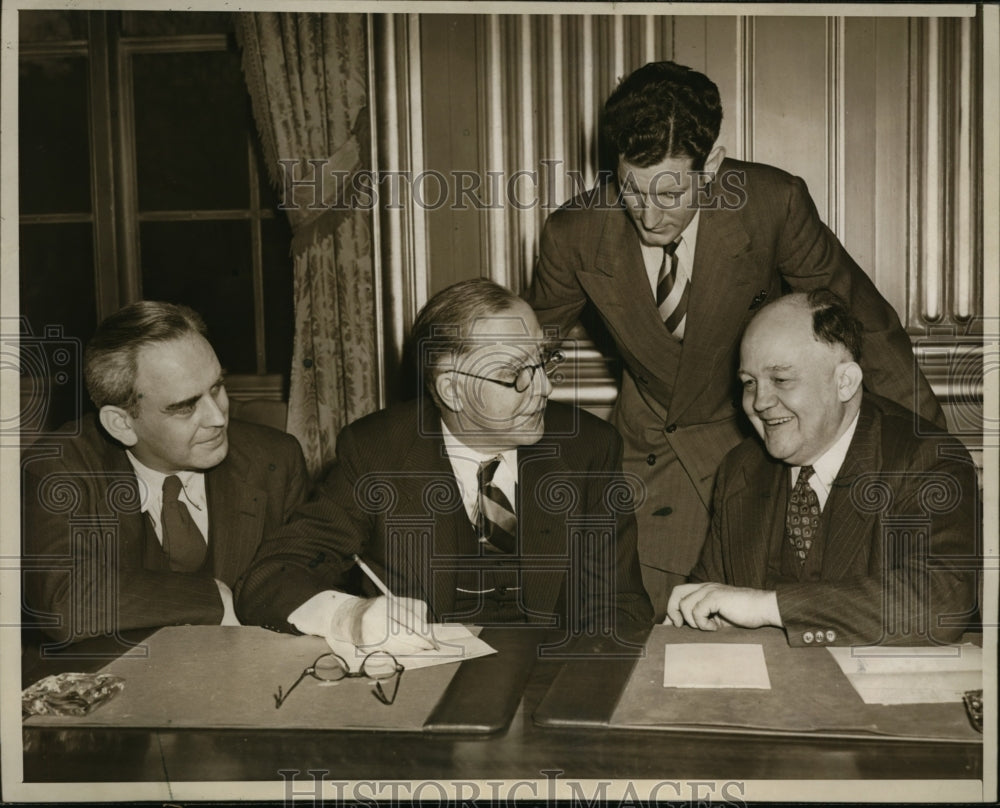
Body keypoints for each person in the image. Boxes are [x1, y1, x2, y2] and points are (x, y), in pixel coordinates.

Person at [526, 60, 946, 619]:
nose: (649, 216)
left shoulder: (772, 204)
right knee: (642, 623)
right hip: (649, 447)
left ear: (713, 166)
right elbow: (527, 344)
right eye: (631, 190)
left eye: (671, 194)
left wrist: (933, 449)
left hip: (751, 443)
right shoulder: (574, 233)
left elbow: (865, 325)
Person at [235, 279, 653, 653]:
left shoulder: (588, 448)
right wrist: (350, 616)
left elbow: (620, 606)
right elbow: (272, 575)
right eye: (515, 374)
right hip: (423, 688)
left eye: (544, 361)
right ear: (452, 390)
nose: (544, 387)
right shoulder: (377, 453)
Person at [665, 291, 977, 646]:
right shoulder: (741, 469)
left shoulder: (928, 461)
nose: (759, 402)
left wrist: (770, 607)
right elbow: (710, 598)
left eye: (781, 380)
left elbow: (942, 604)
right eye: (749, 383)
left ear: (844, 382)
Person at [22, 301, 310, 644]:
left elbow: (303, 580)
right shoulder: (59, 467)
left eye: (217, 387)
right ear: (122, 424)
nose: (217, 417)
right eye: (185, 406)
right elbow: (66, 602)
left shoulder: (274, 458)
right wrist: (214, 598)